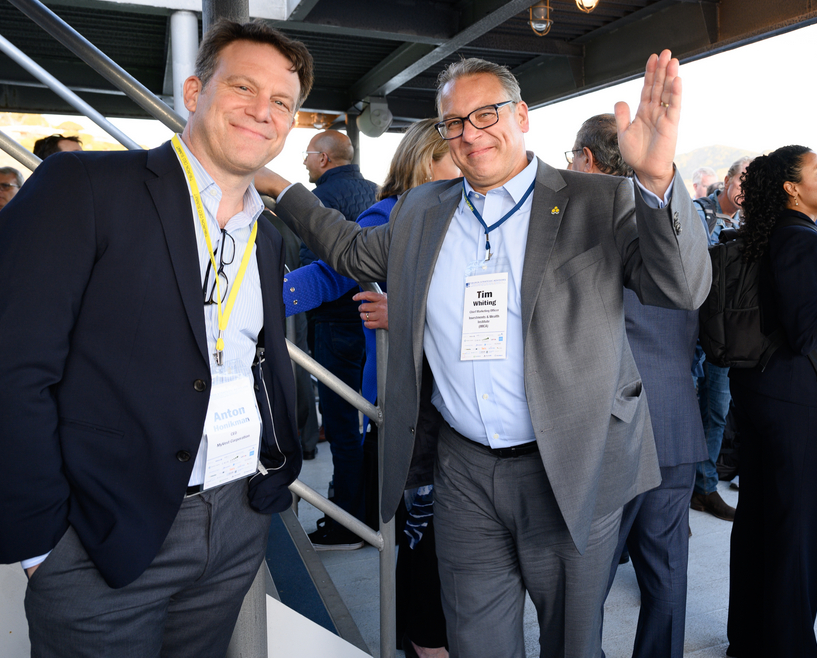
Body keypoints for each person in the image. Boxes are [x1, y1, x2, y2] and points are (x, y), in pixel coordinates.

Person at [260, 50, 709, 657]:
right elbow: (351, 251)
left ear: (521, 116)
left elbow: (681, 287)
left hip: (570, 468)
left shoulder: (597, 200)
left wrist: (654, 182)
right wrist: (280, 186)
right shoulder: (423, 209)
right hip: (464, 474)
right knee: (476, 644)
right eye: (454, 122)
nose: (471, 134)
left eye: (486, 114)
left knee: (572, 646)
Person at [0, 19, 307, 657]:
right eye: (243, 87)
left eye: (282, 102)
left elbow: (253, 362)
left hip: (234, 519)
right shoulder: (84, 187)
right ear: (194, 91)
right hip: (101, 536)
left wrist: (269, 476)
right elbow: (10, 372)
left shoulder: (267, 235)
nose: (263, 110)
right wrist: (41, 547)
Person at [286, 118, 460, 657]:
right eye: (455, 156)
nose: (469, 164)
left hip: (463, 404)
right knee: (423, 535)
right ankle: (424, 641)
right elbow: (328, 274)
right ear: (426, 161)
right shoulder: (390, 215)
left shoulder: (474, 213)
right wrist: (254, 299)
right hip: (413, 405)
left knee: (448, 539)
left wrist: (405, 309)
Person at [570, 113, 706, 658]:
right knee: (666, 571)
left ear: (587, 159)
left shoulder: (584, 220)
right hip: (674, 417)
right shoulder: (681, 216)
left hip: (607, 427)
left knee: (588, 580)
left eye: (571, 156)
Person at [726, 146, 817, 658]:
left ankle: (750, 639)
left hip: (763, 393)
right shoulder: (800, 237)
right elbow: (804, 332)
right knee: (797, 532)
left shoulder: (773, 233)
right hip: (793, 403)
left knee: (761, 521)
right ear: (791, 188)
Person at [300, 127, 379, 548]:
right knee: (369, 420)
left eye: (308, 154)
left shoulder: (319, 200)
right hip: (373, 321)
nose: (304, 162)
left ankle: (347, 521)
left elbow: (314, 269)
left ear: (324, 158)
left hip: (334, 323)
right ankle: (368, 512)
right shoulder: (377, 192)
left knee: (341, 423)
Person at [690, 156, 750, 521]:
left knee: (716, 411)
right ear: (727, 180)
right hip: (689, 328)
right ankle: (676, 492)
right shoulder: (697, 213)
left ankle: (705, 488)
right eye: (742, 180)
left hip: (725, 334)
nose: (745, 190)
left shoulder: (751, 222)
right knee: (683, 410)